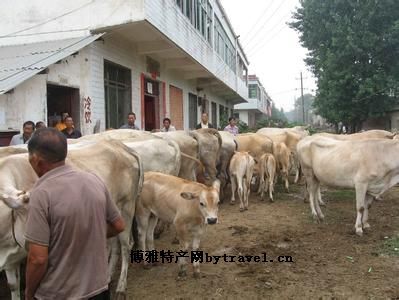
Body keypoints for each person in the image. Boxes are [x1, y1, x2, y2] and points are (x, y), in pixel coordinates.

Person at [25, 128, 125, 299]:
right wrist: (89, 232)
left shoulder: (41, 194)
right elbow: (119, 225)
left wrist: (28, 294)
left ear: (36, 160)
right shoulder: (93, 180)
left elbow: (37, 259)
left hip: (58, 294)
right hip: (99, 289)